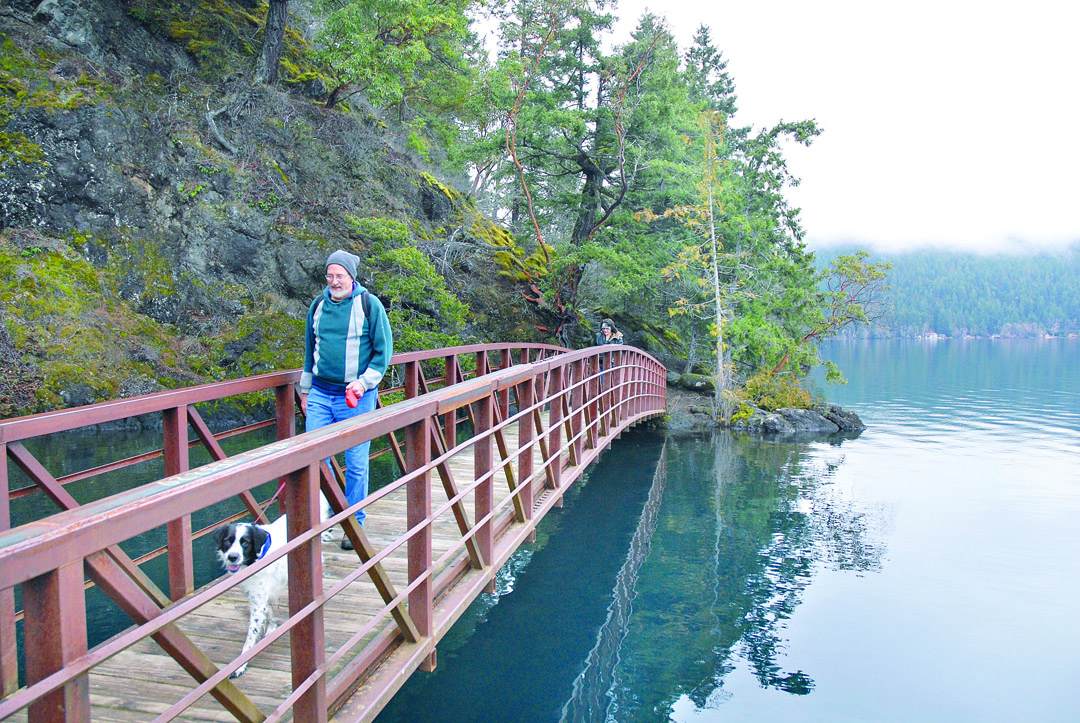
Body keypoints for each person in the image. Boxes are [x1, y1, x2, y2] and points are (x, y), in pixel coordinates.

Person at [299, 250, 393, 549]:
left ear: (352, 277)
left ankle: (354, 524)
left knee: (355, 463)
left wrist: (364, 383)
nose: (334, 281)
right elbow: (308, 351)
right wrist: (305, 391)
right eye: (330, 275)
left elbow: (383, 353)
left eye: (340, 276)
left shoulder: (369, 305)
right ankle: (322, 521)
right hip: (320, 394)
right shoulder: (317, 306)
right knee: (316, 460)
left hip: (356, 396)